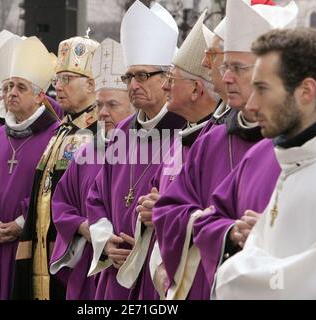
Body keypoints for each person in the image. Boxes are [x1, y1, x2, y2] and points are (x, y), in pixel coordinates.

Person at [151, 0, 298, 300]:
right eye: (225, 67)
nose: (225, 77)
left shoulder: (312, 140)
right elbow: (169, 210)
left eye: (238, 68)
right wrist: (226, 233)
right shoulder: (212, 140)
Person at [213, 27, 316, 300]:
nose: (251, 106)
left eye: (262, 89)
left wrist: (232, 279)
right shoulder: (296, 160)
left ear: (306, 91)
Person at [86, 1, 185, 300]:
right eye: (129, 77)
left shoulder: (185, 131)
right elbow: (96, 196)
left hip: (160, 270)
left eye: (142, 76)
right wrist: (106, 241)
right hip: (116, 269)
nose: (133, 85)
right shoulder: (121, 133)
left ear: (167, 78)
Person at [0, 36, 60, 300]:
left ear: (40, 96)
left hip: (31, 245)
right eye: (8, 87)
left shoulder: (57, 138)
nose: (10, 93)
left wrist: (20, 223)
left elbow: (56, 190)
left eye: (20, 87)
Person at [131, 9, 218, 300]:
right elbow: (156, 197)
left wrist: (165, 214)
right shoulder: (180, 140)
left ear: (196, 89)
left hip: (199, 281)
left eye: (173, 78)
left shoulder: (217, 143)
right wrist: (148, 211)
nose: (166, 85)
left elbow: (220, 216)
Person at [12, 33, 99, 301]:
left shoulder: (101, 133)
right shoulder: (61, 131)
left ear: (91, 84)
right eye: (57, 79)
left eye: (67, 79)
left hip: (75, 253)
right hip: (40, 247)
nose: (58, 87)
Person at [50, 38, 135, 300]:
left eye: (112, 105)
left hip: (131, 267)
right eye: (99, 105)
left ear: (133, 105)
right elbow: (61, 203)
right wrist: (84, 227)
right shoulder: (87, 152)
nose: (103, 113)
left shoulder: (149, 151)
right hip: (88, 267)